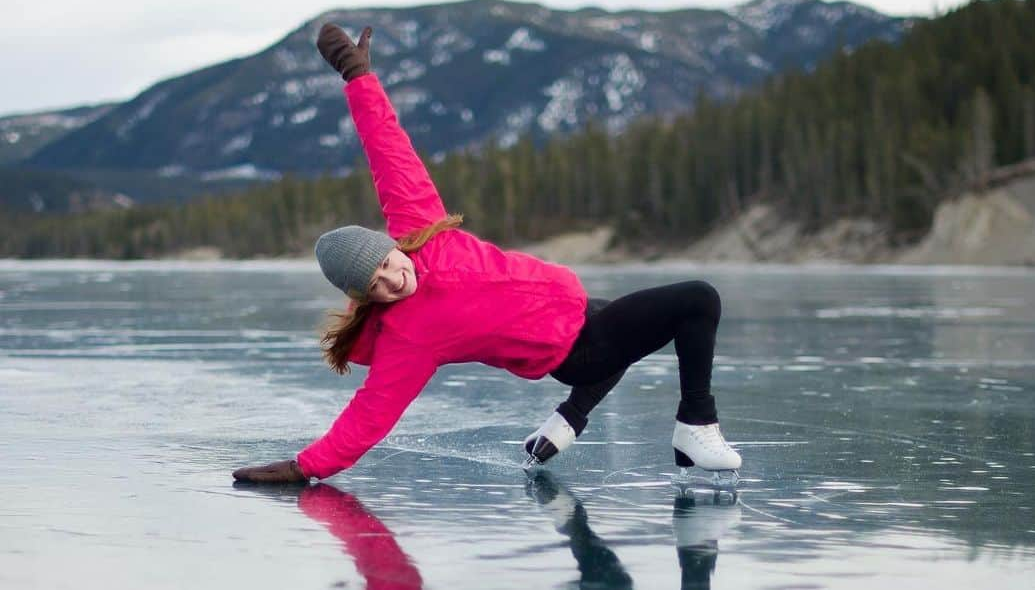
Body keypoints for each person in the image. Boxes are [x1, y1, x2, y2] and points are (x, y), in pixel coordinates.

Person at [231, 24, 741, 484]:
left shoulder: (422, 228)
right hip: (577, 351)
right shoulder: (408, 338)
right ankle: (696, 426)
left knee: (629, 321)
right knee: (697, 301)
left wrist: (357, 77)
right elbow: (369, 416)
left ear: (391, 247)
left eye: (386, 264)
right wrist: (306, 466)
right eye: (375, 287)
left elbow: (387, 149)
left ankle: (567, 422)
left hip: (576, 314)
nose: (392, 281)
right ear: (363, 298)